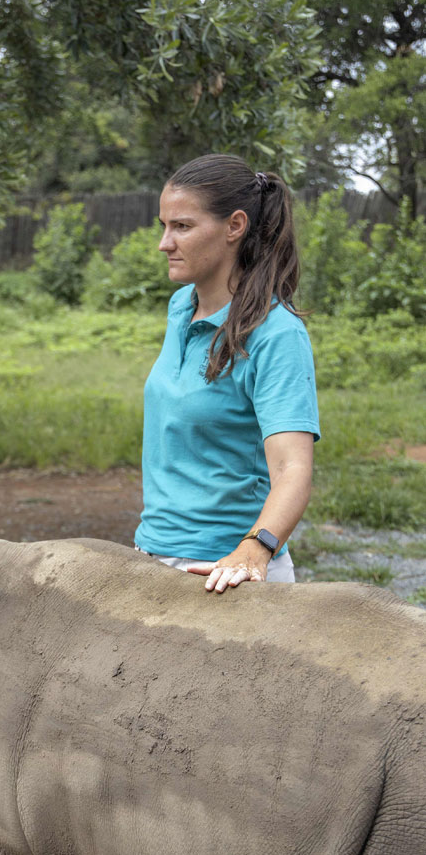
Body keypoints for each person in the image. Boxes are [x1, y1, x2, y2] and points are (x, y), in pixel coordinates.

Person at [134, 153, 319, 593]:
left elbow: (293, 469)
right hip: (150, 554)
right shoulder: (181, 307)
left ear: (235, 226)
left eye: (182, 226)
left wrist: (254, 551)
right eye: (164, 225)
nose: (164, 242)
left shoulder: (277, 334)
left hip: (226, 572)